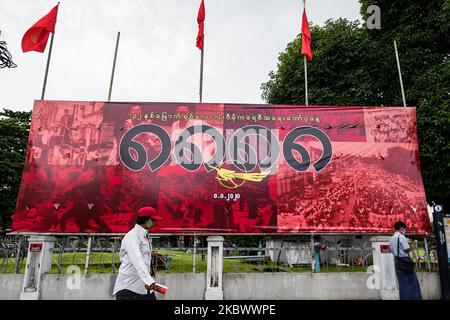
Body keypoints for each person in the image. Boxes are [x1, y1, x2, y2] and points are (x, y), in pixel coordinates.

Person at [113, 207, 165, 300]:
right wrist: (149, 280)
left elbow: (139, 252)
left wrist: (152, 253)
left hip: (144, 287)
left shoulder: (143, 235)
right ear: (146, 220)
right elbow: (136, 258)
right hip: (130, 288)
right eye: (153, 220)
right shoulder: (133, 236)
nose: (155, 223)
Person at [389, 221, 422, 300]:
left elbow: (392, 251)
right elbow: (406, 249)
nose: (404, 231)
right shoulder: (401, 236)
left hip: (397, 260)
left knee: (403, 284)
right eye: (404, 229)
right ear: (401, 228)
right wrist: (413, 246)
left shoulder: (391, 238)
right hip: (405, 260)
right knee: (413, 283)